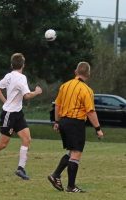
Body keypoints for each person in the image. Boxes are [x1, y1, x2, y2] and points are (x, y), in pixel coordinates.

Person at [0, 53, 42, 180]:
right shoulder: (20, 78)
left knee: (27, 139)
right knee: (3, 144)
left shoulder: (9, 75)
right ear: (23, 65)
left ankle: (21, 168)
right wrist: (36, 92)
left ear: (11, 64)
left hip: (18, 113)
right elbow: (27, 96)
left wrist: (5, 101)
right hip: (9, 114)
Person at [47, 62, 104, 193]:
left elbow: (57, 105)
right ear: (88, 74)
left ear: (75, 72)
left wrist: (56, 121)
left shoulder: (64, 86)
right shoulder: (87, 90)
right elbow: (90, 111)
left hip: (63, 122)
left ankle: (55, 175)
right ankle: (71, 186)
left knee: (72, 151)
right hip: (75, 123)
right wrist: (98, 129)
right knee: (76, 153)